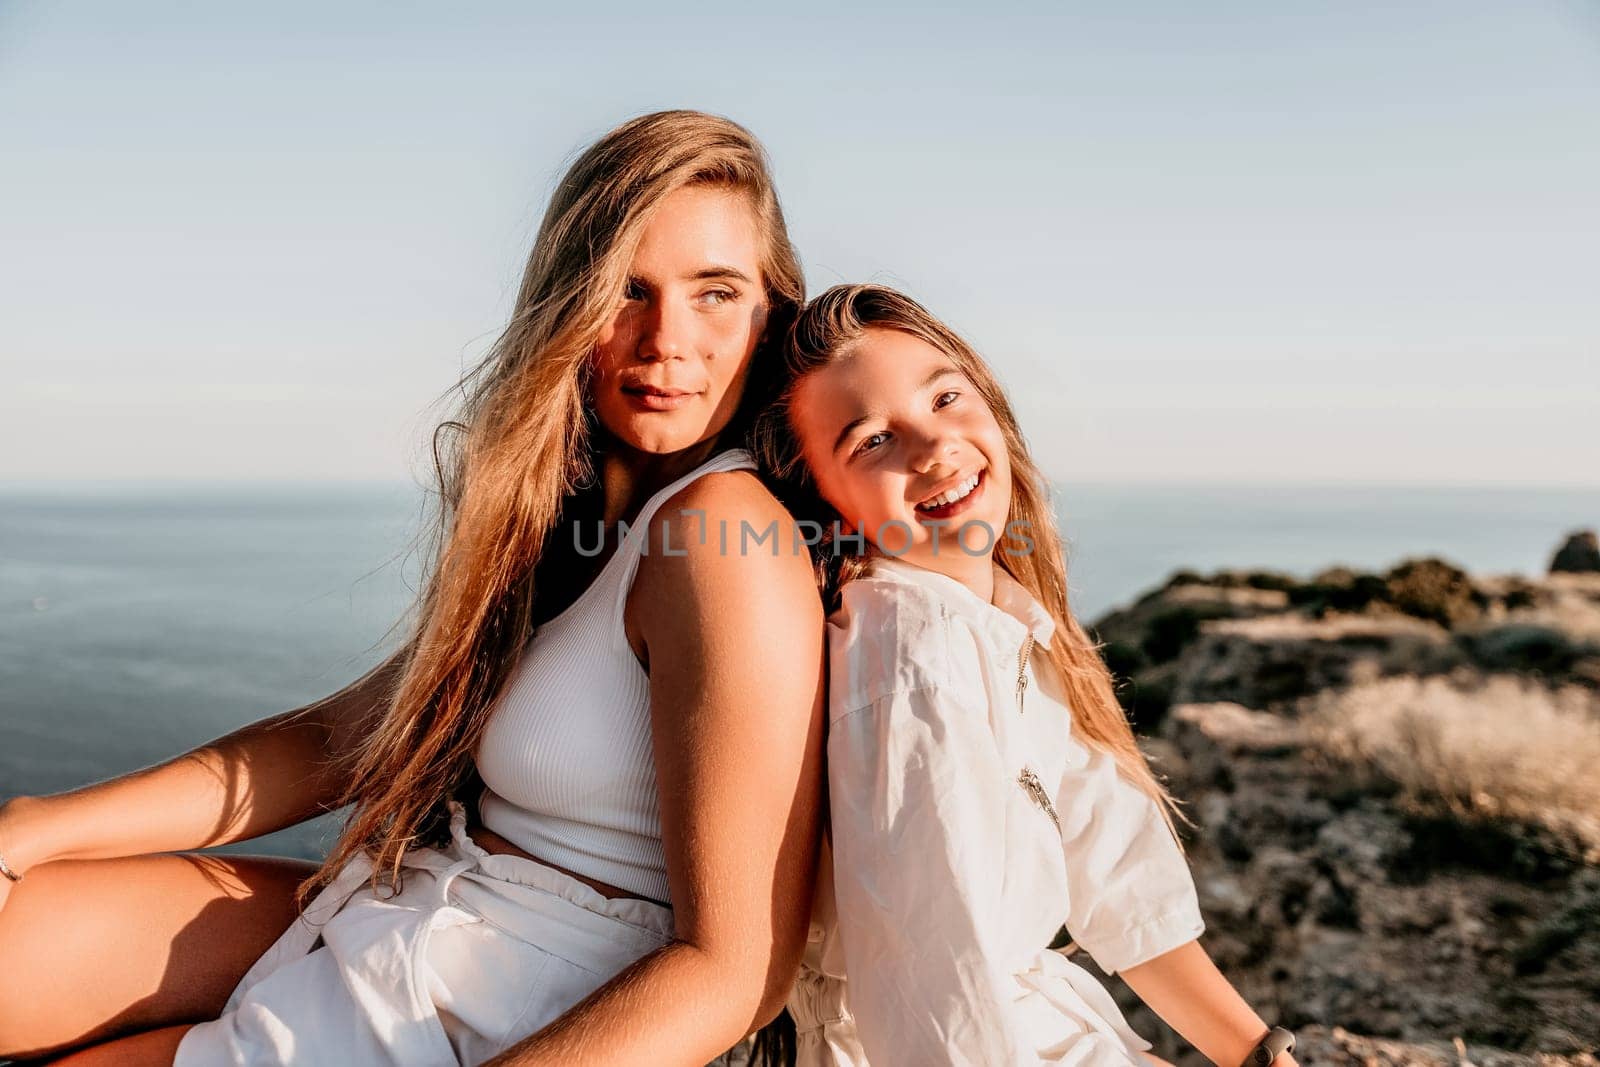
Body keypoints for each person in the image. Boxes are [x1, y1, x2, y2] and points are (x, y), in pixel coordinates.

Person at [0, 110, 826, 1067]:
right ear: (564, 307)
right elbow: (350, 736)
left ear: (776, 309)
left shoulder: (719, 536)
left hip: (515, 1004)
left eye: (715, 292)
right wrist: (32, 828)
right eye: (624, 291)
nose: (664, 340)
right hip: (413, 920)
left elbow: (736, 969)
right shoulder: (577, 522)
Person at [749, 284, 1300, 1067]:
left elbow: (1117, 879)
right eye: (871, 441)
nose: (934, 447)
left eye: (945, 398)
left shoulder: (1006, 620)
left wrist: (1260, 1054)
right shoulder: (910, 652)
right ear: (829, 508)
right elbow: (934, 987)